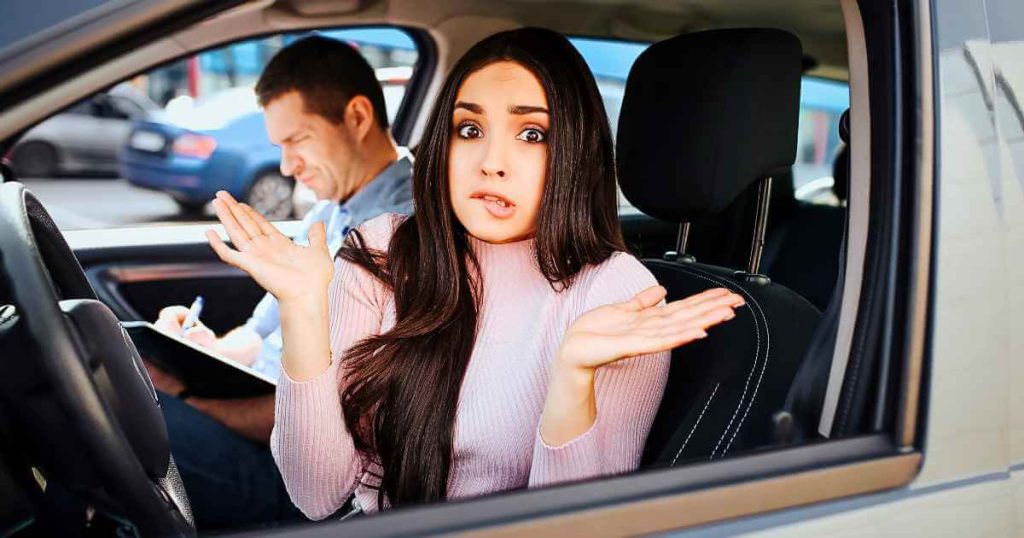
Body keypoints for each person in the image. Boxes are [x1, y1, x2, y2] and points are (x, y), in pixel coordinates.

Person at [204, 28, 744, 519]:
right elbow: (316, 495)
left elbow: (571, 532)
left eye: (531, 134)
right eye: (469, 128)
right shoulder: (381, 251)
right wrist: (303, 310)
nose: (491, 161)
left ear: (575, 152)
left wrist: (572, 380)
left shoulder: (617, 295)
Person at [146, 35, 413, 529]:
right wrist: (205, 348)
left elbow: (329, 406)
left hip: (302, 476)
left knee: (116, 414)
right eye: (280, 147)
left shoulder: (403, 234)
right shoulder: (331, 210)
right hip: (264, 426)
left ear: (357, 117)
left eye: (297, 141)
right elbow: (260, 333)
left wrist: (189, 403)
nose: (287, 167)